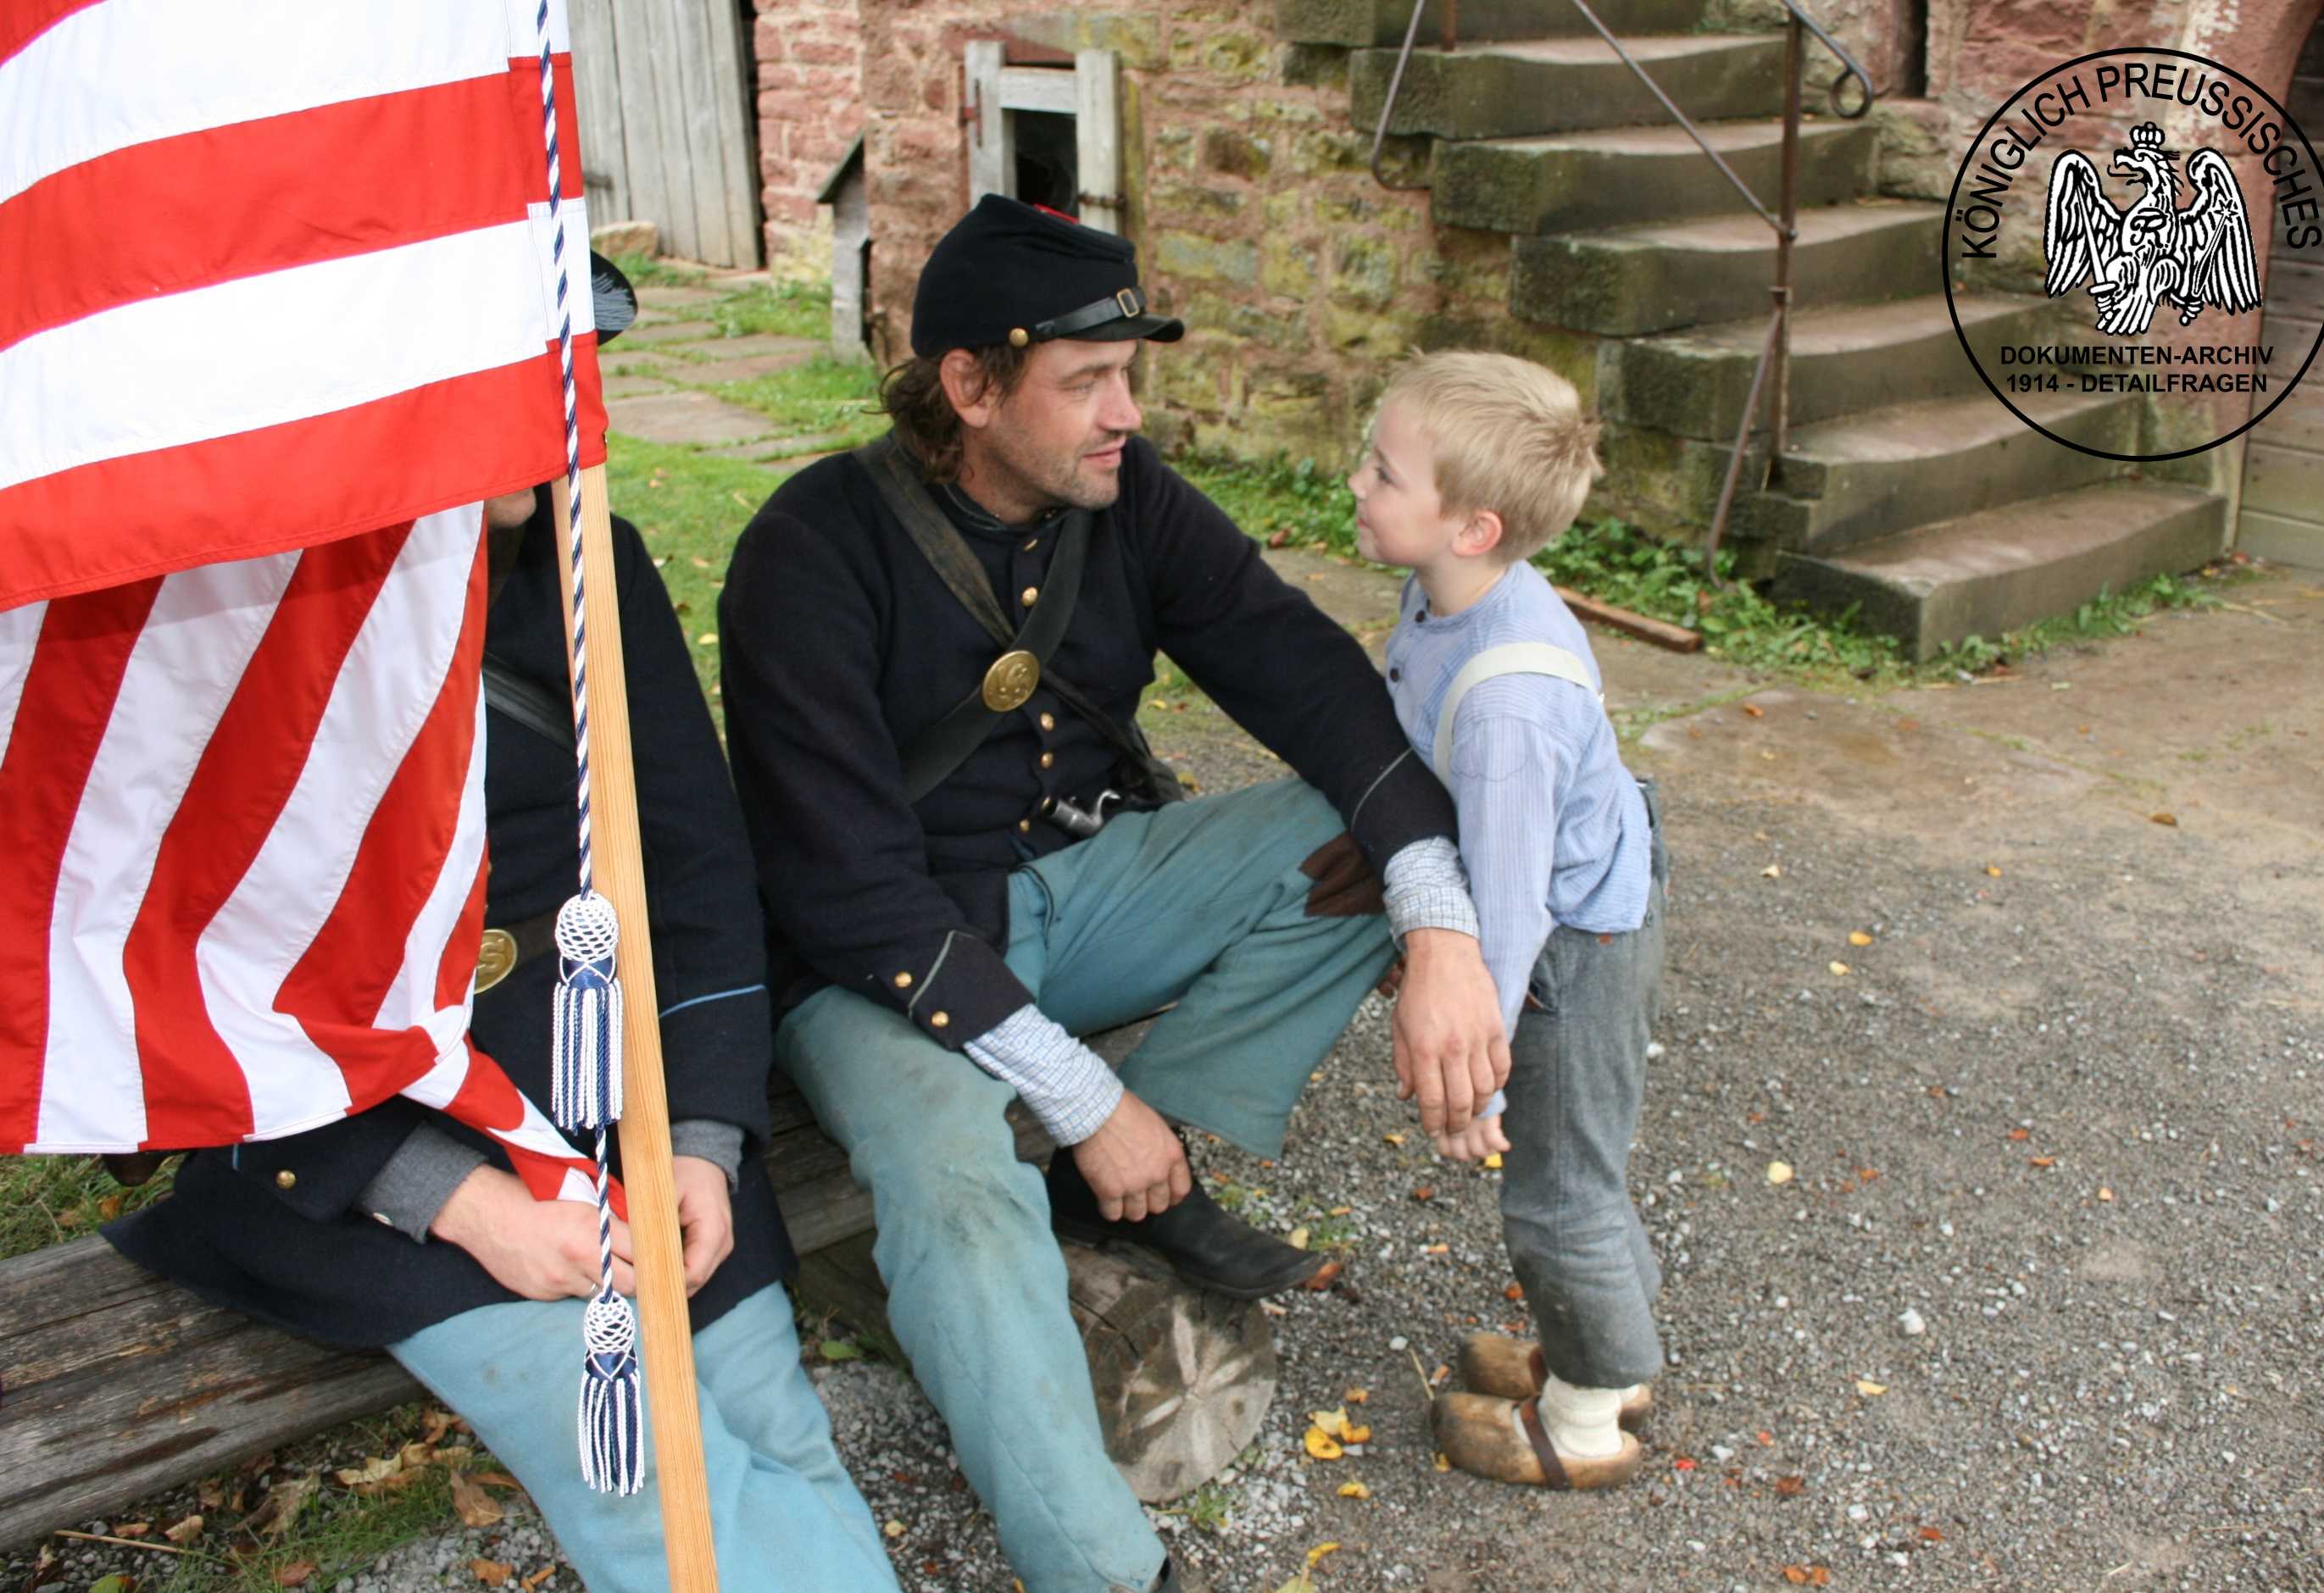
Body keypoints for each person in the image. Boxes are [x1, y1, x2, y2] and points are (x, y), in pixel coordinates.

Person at [717, 194, 1510, 1593]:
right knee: (958, 1190)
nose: (1126, 415)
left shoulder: (1127, 496)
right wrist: (1083, 1096)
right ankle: (1104, 1568)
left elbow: (1311, 681)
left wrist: (1442, 927)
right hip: (879, 963)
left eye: (1127, 376)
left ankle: (1140, 1188)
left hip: (1076, 896)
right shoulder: (810, 549)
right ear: (970, 389)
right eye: (1086, 382)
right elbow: (845, 889)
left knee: (1358, 838)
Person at [107, 479, 901, 1593]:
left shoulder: (591, 556)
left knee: (775, 1423)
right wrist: (468, 1207)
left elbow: (697, 870)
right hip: (352, 1127)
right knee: (644, 1472)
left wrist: (702, 1139)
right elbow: (179, 980)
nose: (539, 421)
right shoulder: (210, 604)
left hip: (600, 1081)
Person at [1348, 351, 1667, 1490]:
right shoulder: (1452, 593)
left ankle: (1583, 1421)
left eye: (1384, 473)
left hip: (1572, 948)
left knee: (1558, 1192)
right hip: (1573, 909)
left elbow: (1513, 907)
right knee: (1583, 1165)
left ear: (1472, 528)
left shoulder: (1508, 708)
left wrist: (1477, 1076)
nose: (1357, 483)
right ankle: (1605, 1359)